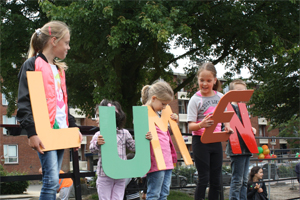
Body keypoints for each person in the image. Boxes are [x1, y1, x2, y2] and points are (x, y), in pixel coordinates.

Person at [17, 21, 82, 200]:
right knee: (51, 181)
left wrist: (74, 128)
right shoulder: (32, 64)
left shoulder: (60, 69)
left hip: (60, 132)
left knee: (54, 180)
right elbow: (24, 102)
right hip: (44, 132)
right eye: (66, 42)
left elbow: (63, 104)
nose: (69, 47)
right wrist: (31, 132)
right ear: (54, 41)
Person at [187, 62, 233, 200]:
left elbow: (225, 116)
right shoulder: (195, 99)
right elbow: (190, 126)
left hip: (215, 141)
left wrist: (227, 126)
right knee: (204, 178)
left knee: (216, 180)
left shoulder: (220, 97)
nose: (205, 84)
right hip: (200, 141)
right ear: (198, 80)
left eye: (208, 80)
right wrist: (201, 124)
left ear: (215, 80)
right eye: (202, 80)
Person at [89, 99, 152, 200]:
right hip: (104, 175)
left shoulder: (124, 133)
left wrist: (144, 139)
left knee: (118, 198)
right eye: (97, 115)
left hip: (121, 174)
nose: (97, 119)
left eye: (99, 115)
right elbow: (91, 149)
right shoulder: (99, 134)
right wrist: (97, 143)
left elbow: (134, 147)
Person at [141, 80, 178, 200]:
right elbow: (140, 132)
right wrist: (144, 135)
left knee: (164, 193)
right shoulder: (143, 112)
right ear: (154, 98)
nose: (164, 107)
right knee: (154, 193)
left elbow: (165, 133)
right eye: (163, 104)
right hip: (156, 161)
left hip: (166, 160)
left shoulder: (158, 115)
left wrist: (174, 122)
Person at [226, 79, 257, 200]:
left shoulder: (243, 108)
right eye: (238, 90)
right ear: (231, 92)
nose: (241, 93)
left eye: (243, 91)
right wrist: (227, 127)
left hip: (246, 147)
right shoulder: (228, 107)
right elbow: (226, 123)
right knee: (237, 180)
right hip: (236, 148)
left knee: (244, 180)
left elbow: (245, 125)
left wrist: (252, 128)